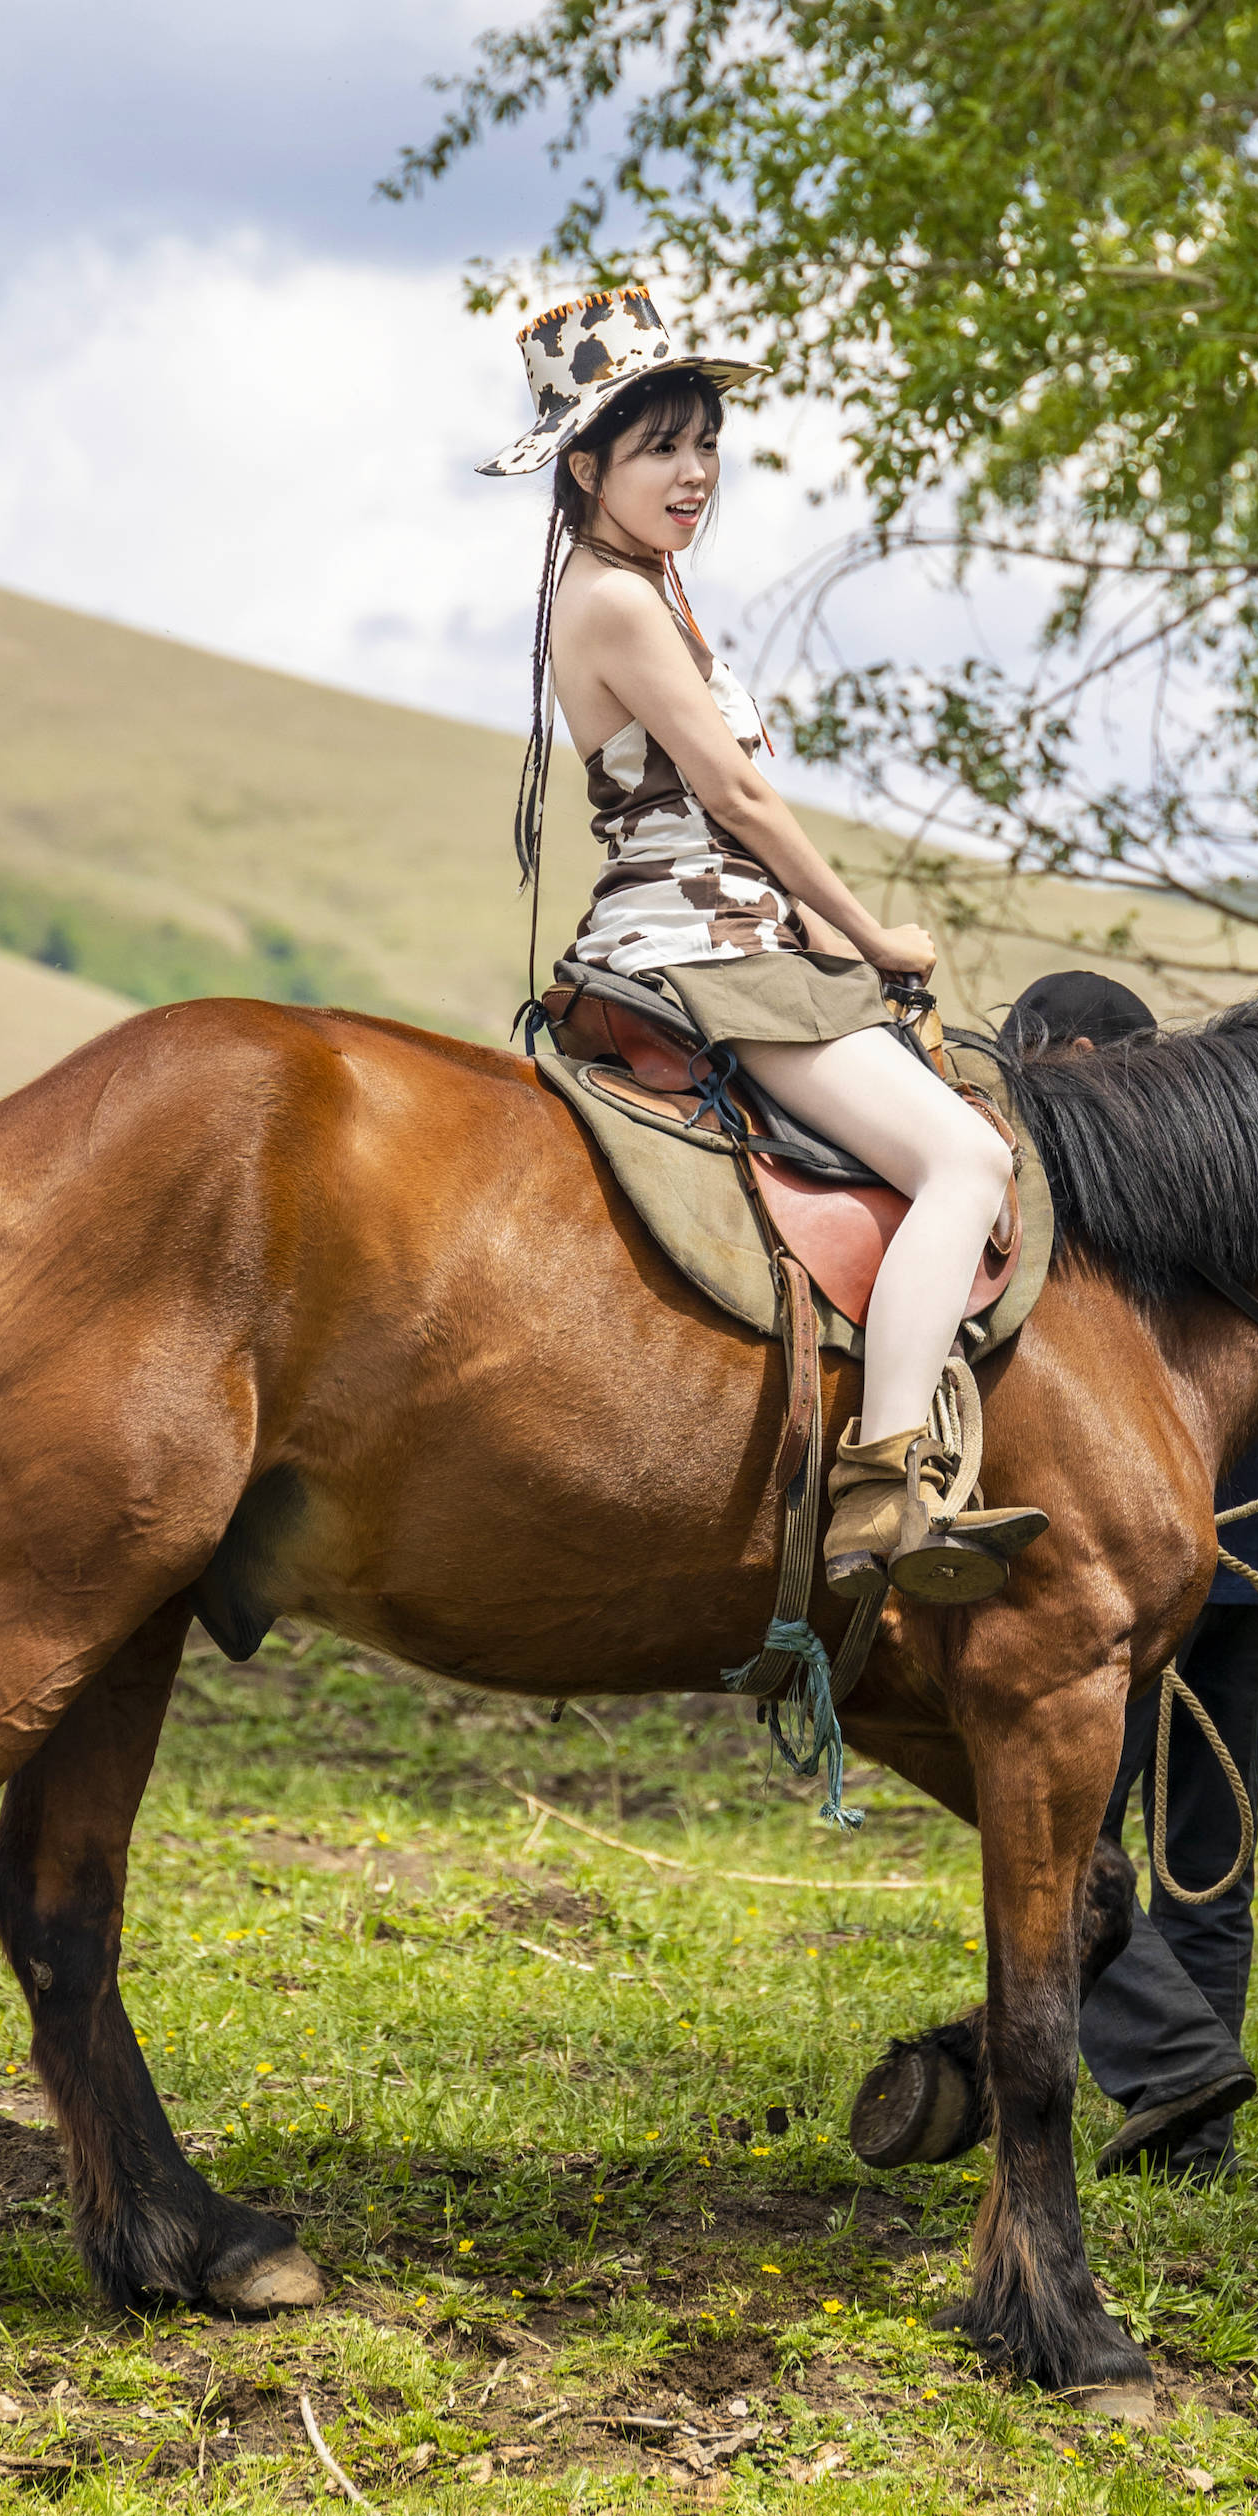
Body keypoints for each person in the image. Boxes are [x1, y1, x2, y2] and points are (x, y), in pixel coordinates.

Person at [486, 281, 1047, 1601]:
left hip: (730, 935)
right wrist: (872, 933)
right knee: (968, 1159)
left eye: (705, 443)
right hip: (707, 954)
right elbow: (736, 799)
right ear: (585, 469)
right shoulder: (619, 601)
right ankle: (885, 1480)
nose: (695, 472)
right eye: (658, 448)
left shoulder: (641, 585)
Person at [1003, 969, 1258, 2183]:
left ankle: (1174, 2079)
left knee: (1068, 1849)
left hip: (1137, 1584)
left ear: (1074, 1054)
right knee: (1204, 1859)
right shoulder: (1248, 1184)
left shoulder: (1090, 1204)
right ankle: (1194, 2134)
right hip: (1242, 1572)